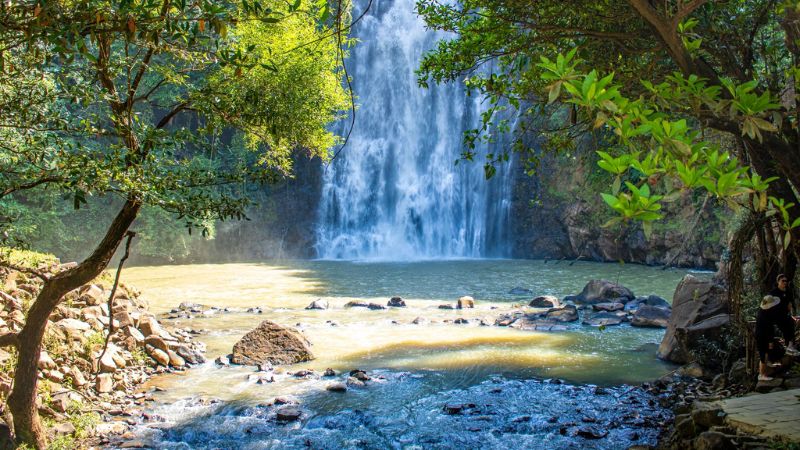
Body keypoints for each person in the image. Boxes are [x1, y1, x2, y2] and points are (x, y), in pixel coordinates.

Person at [755, 295, 784, 381]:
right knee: (763, 355)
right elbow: (766, 329)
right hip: (762, 337)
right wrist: (770, 341)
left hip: (763, 335)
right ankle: (762, 375)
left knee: (766, 353)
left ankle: (767, 366)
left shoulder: (765, 312)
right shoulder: (763, 315)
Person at [769, 273, 799, 355]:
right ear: (778, 281)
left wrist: (791, 312)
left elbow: (790, 304)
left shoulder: (788, 292)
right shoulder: (773, 292)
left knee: (790, 324)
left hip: (785, 314)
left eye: (786, 281)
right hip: (776, 315)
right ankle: (788, 346)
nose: (785, 282)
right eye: (783, 281)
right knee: (785, 325)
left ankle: (790, 345)